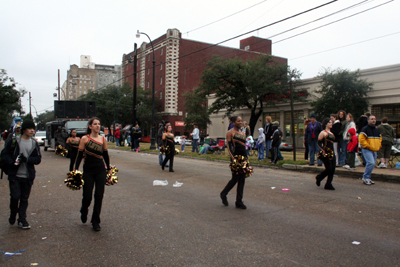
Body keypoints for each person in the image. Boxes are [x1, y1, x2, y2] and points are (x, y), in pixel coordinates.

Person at [74, 117, 112, 231]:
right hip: (88, 170)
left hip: (100, 169)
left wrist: (108, 168)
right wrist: (76, 169)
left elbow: (105, 155)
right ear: (90, 126)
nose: (97, 126)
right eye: (95, 124)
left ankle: (95, 221)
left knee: (99, 196)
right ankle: (84, 209)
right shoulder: (85, 139)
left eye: (99, 124)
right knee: (87, 196)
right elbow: (80, 155)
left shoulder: (102, 139)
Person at [2, 120, 42, 229]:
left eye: (33, 128)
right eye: (29, 128)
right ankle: (13, 213)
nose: (32, 130)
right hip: (15, 175)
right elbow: (4, 155)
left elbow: (38, 159)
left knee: (24, 199)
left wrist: (27, 159)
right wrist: (13, 162)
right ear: (23, 129)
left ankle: (22, 219)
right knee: (15, 197)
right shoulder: (14, 141)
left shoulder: (34, 143)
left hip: (27, 176)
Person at [220, 116, 248, 209]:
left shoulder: (243, 133)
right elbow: (228, 146)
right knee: (235, 178)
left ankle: (239, 201)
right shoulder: (230, 133)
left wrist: (246, 159)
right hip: (235, 158)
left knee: (242, 179)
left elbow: (244, 147)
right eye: (238, 121)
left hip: (244, 158)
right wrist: (234, 159)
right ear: (233, 122)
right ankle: (223, 193)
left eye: (241, 120)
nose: (240, 122)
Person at [359, 115, 382, 185]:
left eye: (374, 119)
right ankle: (365, 177)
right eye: (372, 119)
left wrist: (378, 146)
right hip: (367, 149)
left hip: (374, 149)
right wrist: (367, 146)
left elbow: (380, 138)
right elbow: (361, 139)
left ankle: (368, 177)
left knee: (372, 164)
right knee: (370, 163)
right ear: (368, 120)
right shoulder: (365, 129)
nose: (373, 120)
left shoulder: (377, 130)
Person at [315, 118, 336, 190]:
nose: (331, 124)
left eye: (331, 122)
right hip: (325, 152)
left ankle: (328, 184)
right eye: (329, 122)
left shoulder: (331, 133)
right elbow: (318, 143)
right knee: (329, 168)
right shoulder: (323, 132)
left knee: (333, 169)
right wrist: (322, 150)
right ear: (326, 124)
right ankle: (319, 177)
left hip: (332, 152)